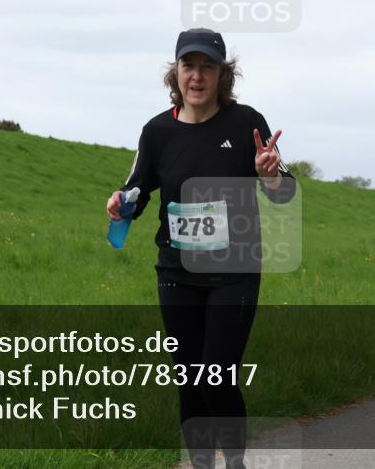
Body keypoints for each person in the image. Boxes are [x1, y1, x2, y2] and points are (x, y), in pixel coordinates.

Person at [106, 28, 296, 469]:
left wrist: (269, 173)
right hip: (177, 272)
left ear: (222, 74)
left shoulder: (247, 123)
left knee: (216, 376)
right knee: (189, 380)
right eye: (188, 66)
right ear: (176, 73)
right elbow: (135, 191)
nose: (197, 76)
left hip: (235, 272)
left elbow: (283, 192)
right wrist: (119, 204)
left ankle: (233, 462)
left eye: (207, 66)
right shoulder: (157, 132)